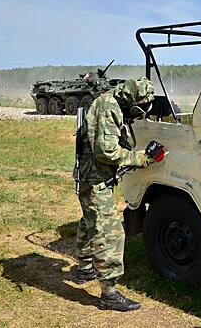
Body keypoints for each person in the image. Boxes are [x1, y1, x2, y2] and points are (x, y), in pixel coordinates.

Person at [73, 77, 155, 311]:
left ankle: (85, 268)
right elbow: (105, 152)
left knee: (90, 220)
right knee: (109, 231)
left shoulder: (110, 103)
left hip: (93, 177)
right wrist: (138, 158)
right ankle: (108, 293)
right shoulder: (108, 107)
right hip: (95, 177)